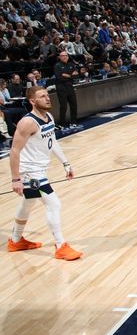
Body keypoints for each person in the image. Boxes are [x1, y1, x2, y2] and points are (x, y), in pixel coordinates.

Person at [7, 86, 82, 260]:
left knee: (28, 203)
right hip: (29, 172)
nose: (48, 98)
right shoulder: (27, 122)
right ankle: (60, 246)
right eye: (42, 96)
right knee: (54, 204)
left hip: (40, 169)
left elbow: (53, 141)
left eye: (47, 95)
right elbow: (14, 151)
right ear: (32, 101)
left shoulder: (48, 116)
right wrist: (16, 179)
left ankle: (16, 240)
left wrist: (66, 163)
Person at [53, 51, 79, 128]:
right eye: (62, 56)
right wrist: (70, 75)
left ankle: (73, 122)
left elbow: (76, 76)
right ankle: (62, 123)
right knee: (63, 106)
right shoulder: (57, 66)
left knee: (74, 105)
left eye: (66, 55)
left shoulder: (71, 65)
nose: (64, 57)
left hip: (70, 87)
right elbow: (59, 77)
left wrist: (67, 75)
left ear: (68, 56)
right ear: (60, 57)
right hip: (61, 88)